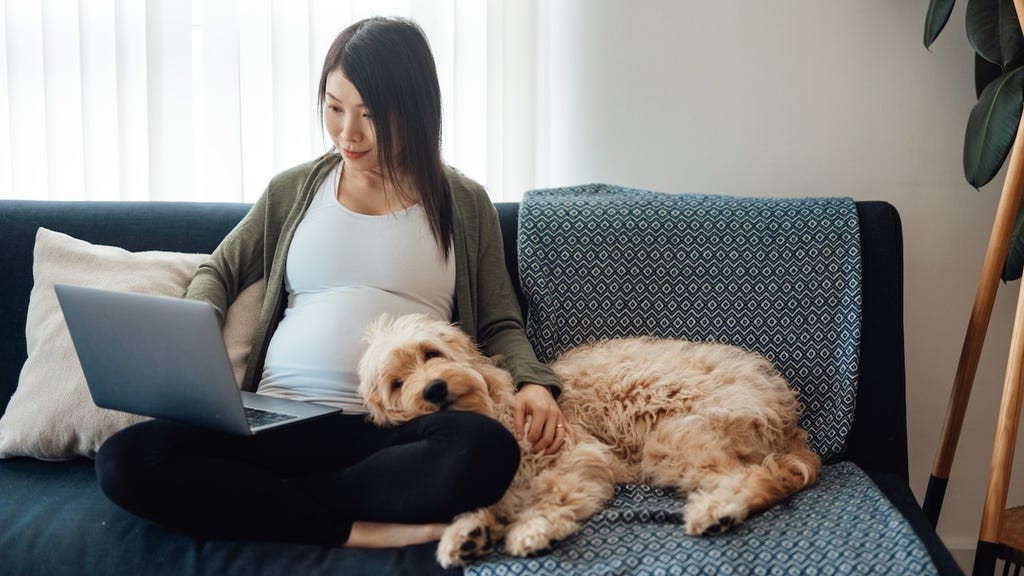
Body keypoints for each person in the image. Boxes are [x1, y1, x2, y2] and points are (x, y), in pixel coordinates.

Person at [95, 16, 570, 549]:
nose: (348, 133)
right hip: (276, 420)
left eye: (371, 116)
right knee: (125, 460)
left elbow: (500, 320)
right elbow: (219, 271)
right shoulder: (294, 190)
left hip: (391, 431)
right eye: (335, 107)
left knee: (484, 449)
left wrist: (534, 382)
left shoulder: (463, 201)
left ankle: (263, 501)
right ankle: (351, 526)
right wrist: (197, 334)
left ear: (414, 112)